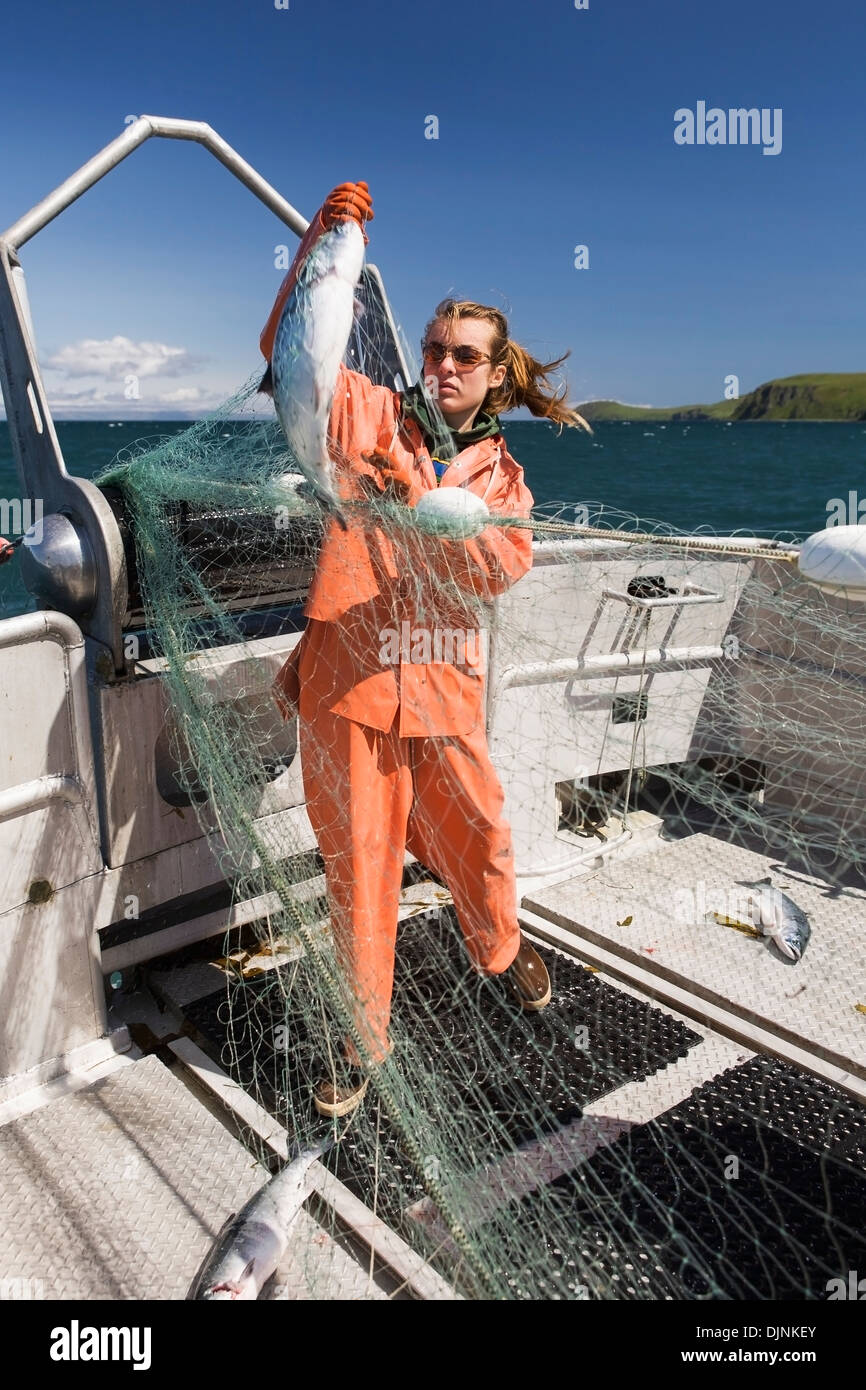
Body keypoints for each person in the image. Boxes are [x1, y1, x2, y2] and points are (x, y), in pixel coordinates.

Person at [262, 182, 589, 1117]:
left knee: (479, 836)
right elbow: (290, 353)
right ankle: (359, 1046)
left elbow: (501, 563)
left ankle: (500, 944)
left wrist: (431, 514)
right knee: (360, 872)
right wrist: (321, 247)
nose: (443, 366)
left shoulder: (506, 480)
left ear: (494, 376)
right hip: (350, 686)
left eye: (465, 357)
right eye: (436, 350)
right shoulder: (364, 412)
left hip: (442, 693)